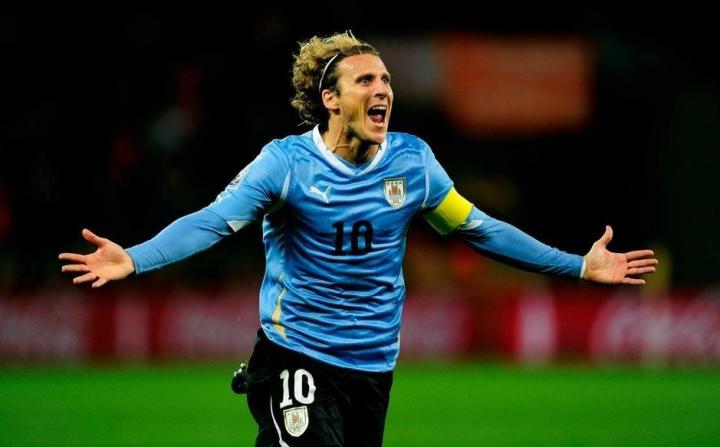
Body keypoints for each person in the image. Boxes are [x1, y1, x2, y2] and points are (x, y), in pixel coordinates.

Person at [59, 31, 658, 447]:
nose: (382, 90)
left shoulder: (413, 164)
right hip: (297, 355)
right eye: (365, 79)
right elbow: (213, 221)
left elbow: (478, 228)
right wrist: (134, 258)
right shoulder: (285, 165)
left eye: (387, 80)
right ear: (331, 99)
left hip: (373, 369)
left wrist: (578, 265)